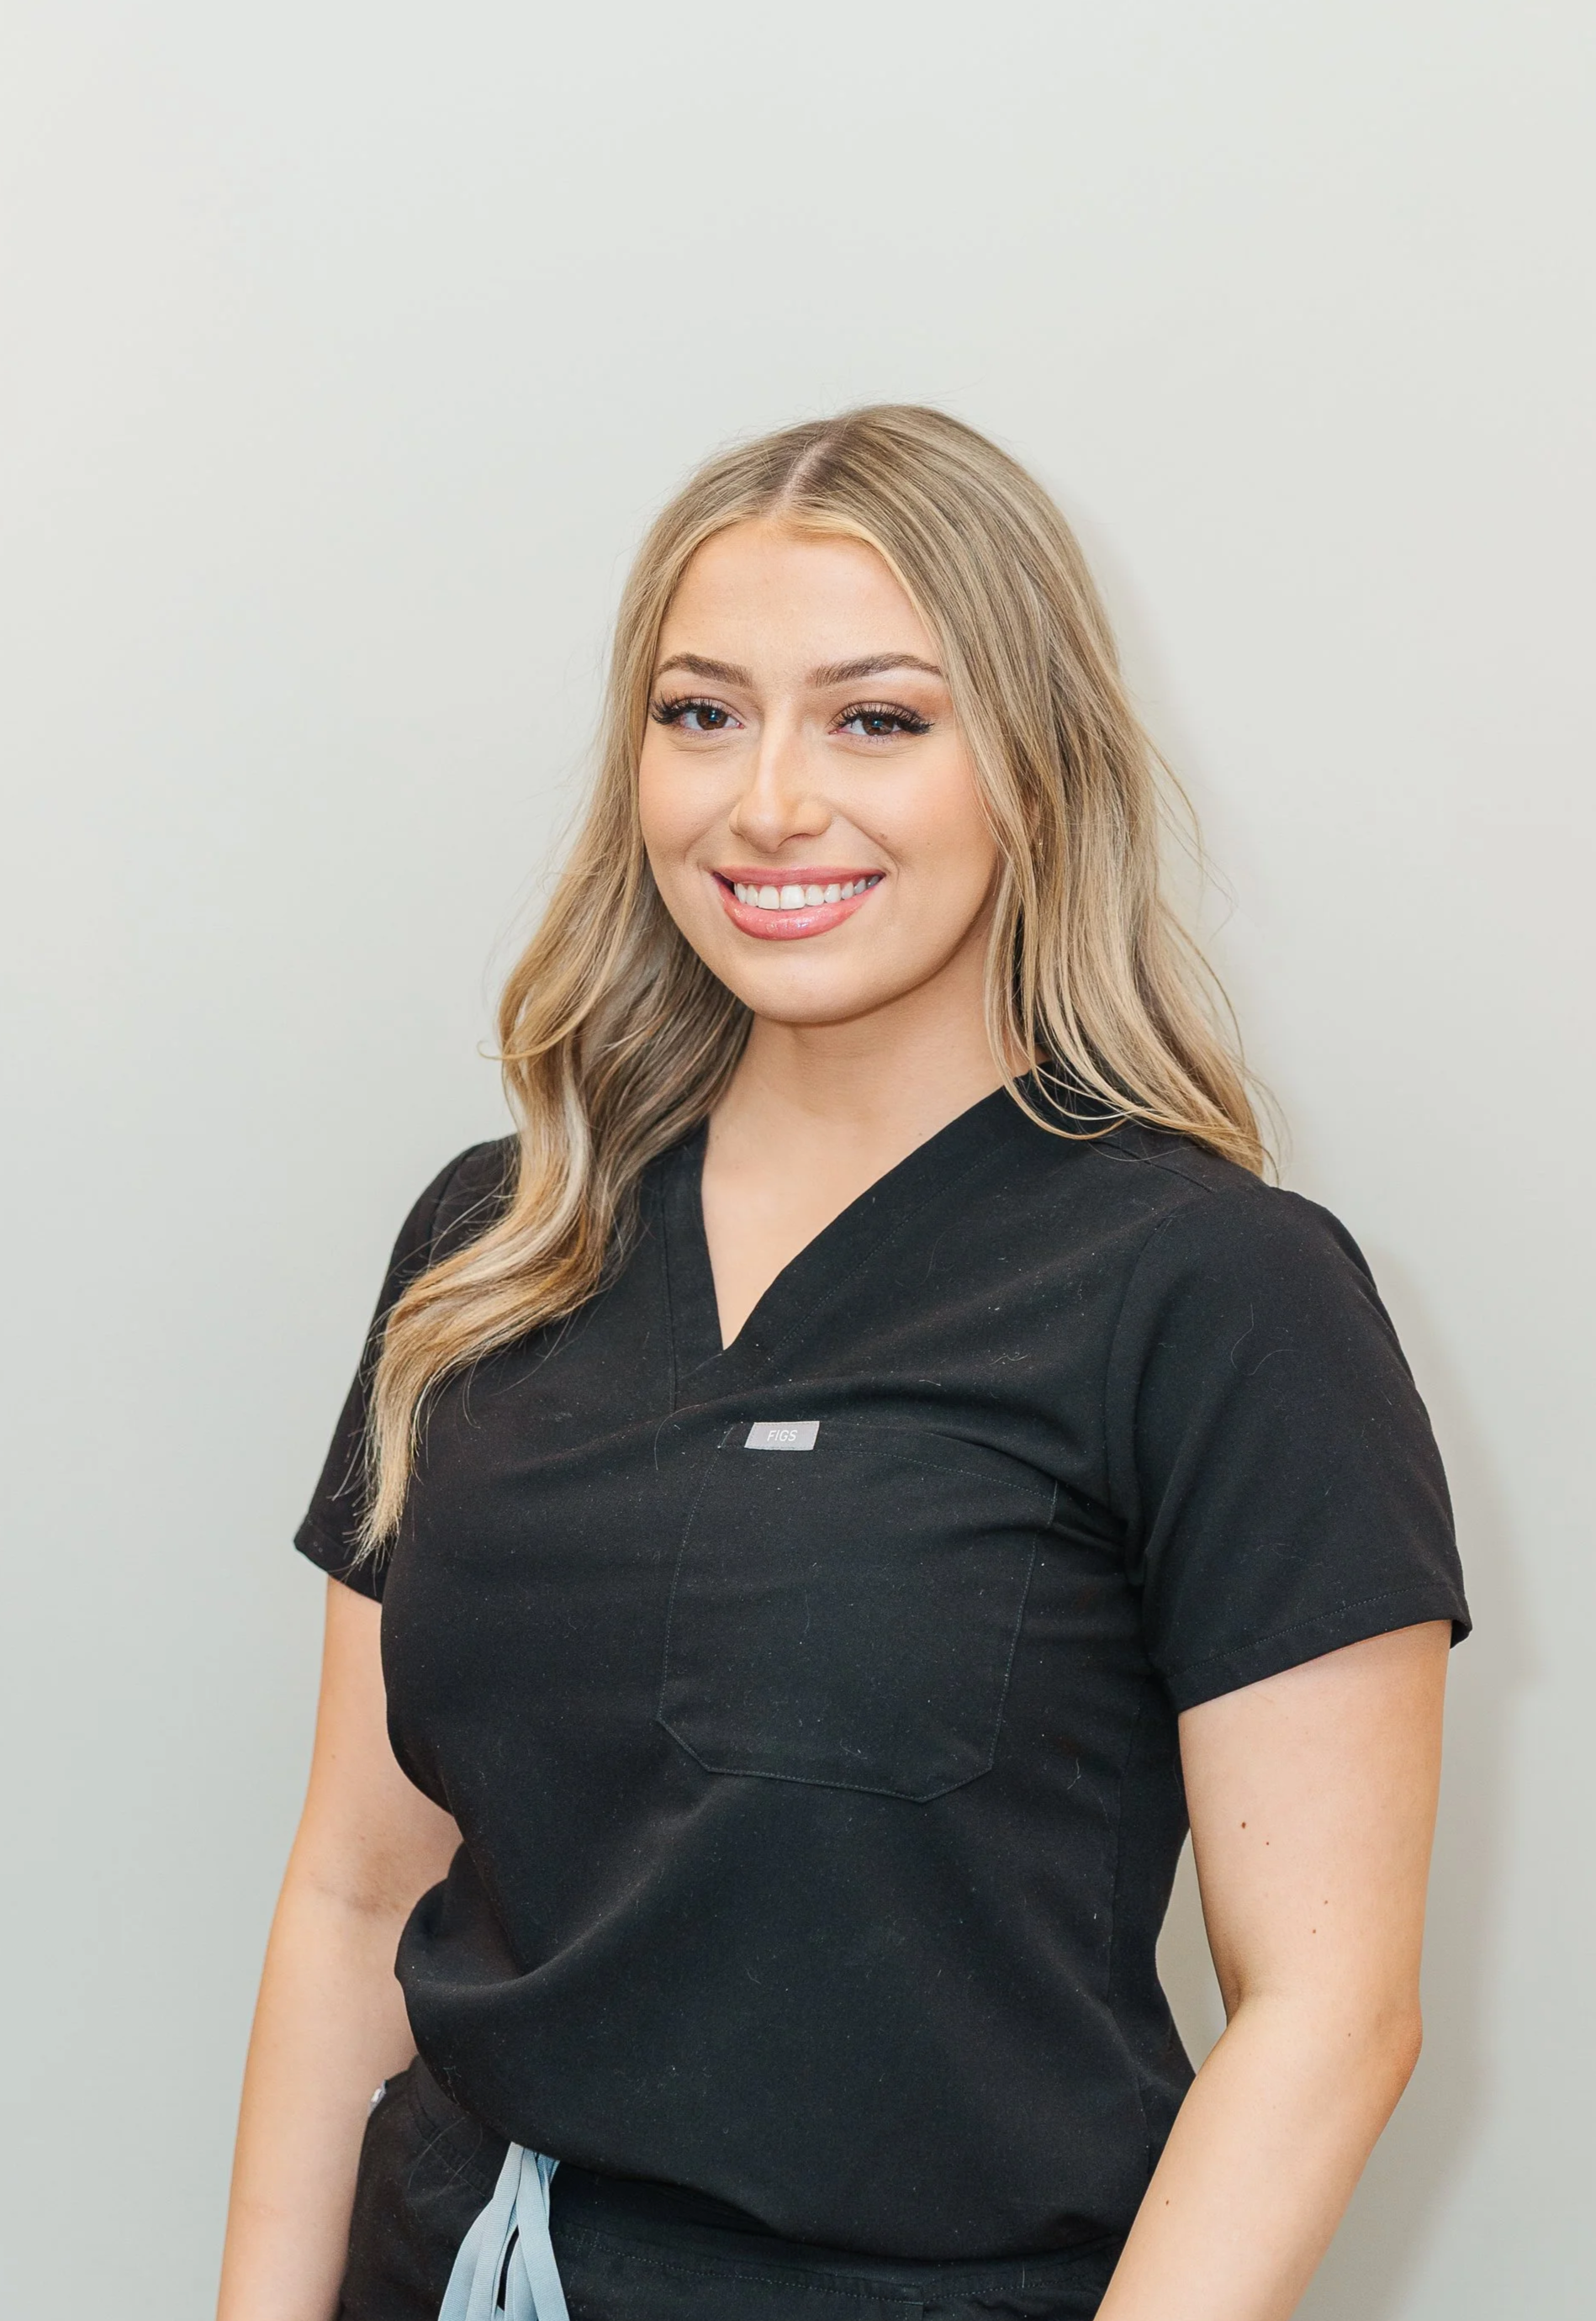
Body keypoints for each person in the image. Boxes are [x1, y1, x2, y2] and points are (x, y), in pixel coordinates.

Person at [217, 406, 1469, 2321]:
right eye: (701, 713)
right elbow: (352, 1891)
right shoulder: (495, 1236)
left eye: (876, 718)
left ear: (1034, 772)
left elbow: (1328, 2012)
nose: (768, 801)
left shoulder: (1218, 1290)